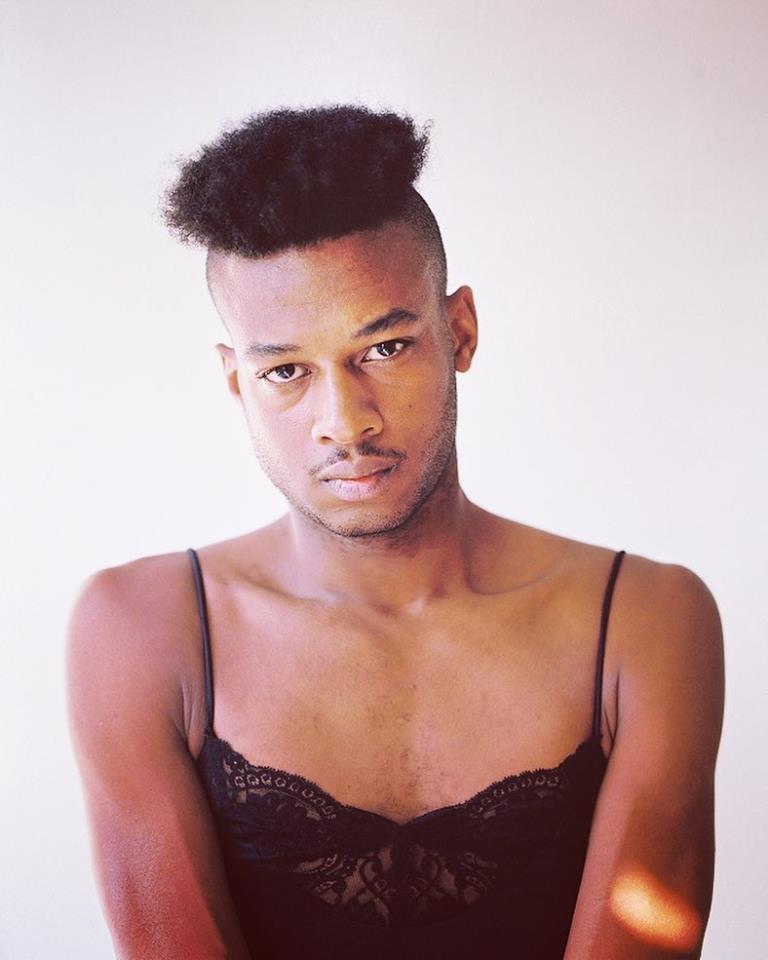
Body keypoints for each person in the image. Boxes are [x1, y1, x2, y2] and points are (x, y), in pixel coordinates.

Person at [65, 104, 724, 959]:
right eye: (287, 370)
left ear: (460, 331)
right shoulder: (139, 630)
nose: (345, 422)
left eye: (384, 350)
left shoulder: (647, 621)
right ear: (236, 382)